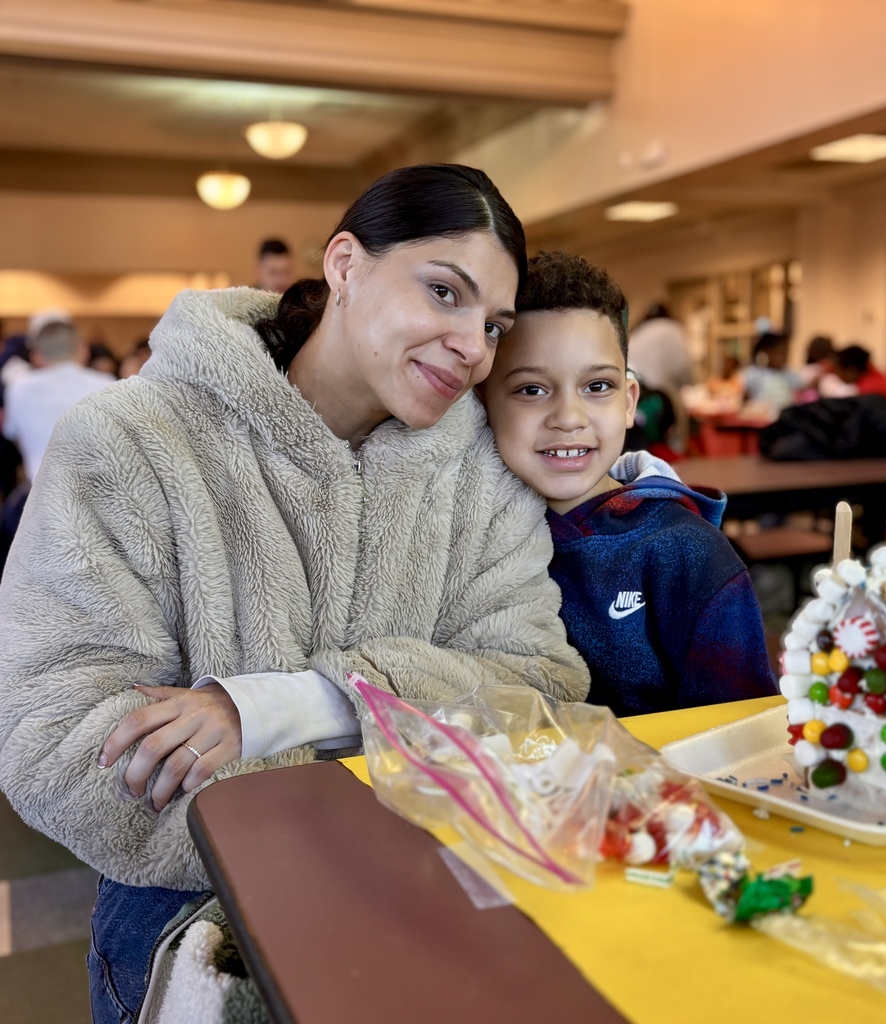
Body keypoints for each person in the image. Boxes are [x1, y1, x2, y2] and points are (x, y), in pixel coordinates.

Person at [0, 164, 589, 1023]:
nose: (474, 346)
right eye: (443, 292)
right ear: (345, 265)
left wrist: (289, 704)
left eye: (494, 323)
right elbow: (55, 737)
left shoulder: (475, 469)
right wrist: (394, 756)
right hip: (194, 920)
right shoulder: (129, 442)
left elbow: (540, 685)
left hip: (433, 904)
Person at [478, 251, 776, 718]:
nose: (569, 418)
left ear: (628, 401)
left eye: (597, 386)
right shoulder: (468, 544)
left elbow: (745, 734)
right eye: (531, 389)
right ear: (482, 403)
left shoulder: (687, 554)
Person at [2, 318, 115, 483]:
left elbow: (11, 432)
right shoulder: (107, 384)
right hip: (99, 491)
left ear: (36, 355)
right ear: (84, 350)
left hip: (41, 494)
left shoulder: (20, 388)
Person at [626, 302, 693, 452]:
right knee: (671, 447)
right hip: (663, 399)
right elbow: (685, 371)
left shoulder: (637, 332)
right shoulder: (674, 330)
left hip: (635, 398)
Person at [834, 344, 886, 427]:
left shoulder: (870, 389)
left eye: (838, 370)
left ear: (852, 370)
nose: (837, 374)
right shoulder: (874, 375)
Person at [741, 332, 801, 411]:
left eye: (786, 352)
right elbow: (744, 399)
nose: (784, 356)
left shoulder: (790, 374)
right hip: (761, 418)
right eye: (780, 352)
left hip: (786, 419)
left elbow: (801, 390)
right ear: (767, 352)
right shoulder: (753, 374)